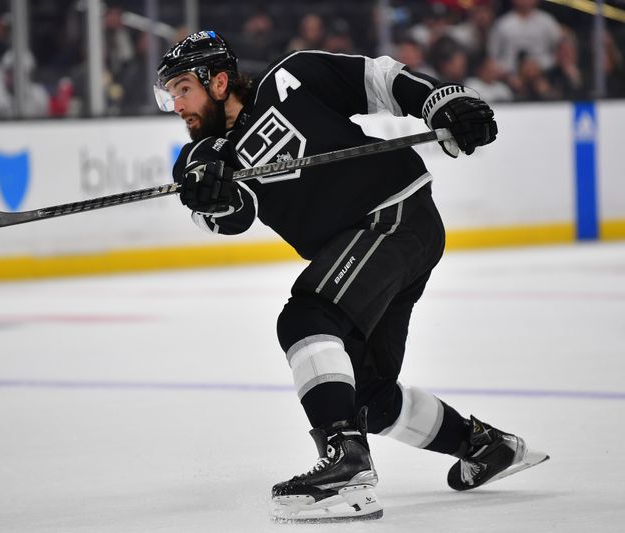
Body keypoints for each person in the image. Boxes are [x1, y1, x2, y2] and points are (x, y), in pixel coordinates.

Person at [154, 31, 549, 521]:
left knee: (306, 318)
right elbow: (229, 218)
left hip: (394, 215)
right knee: (367, 398)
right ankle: (486, 448)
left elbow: (380, 82)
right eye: (168, 94)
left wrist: (442, 102)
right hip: (377, 243)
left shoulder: (292, 78)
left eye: (182, 89)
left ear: (218, 82)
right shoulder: (202, 160)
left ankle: (346, 465)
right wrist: (211, 192)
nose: (175, 104)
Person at [0, 49, 49, 119]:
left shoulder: (39, 96)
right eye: (10, 72)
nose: (14, 77)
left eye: (20, 73)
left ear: (28, 74)